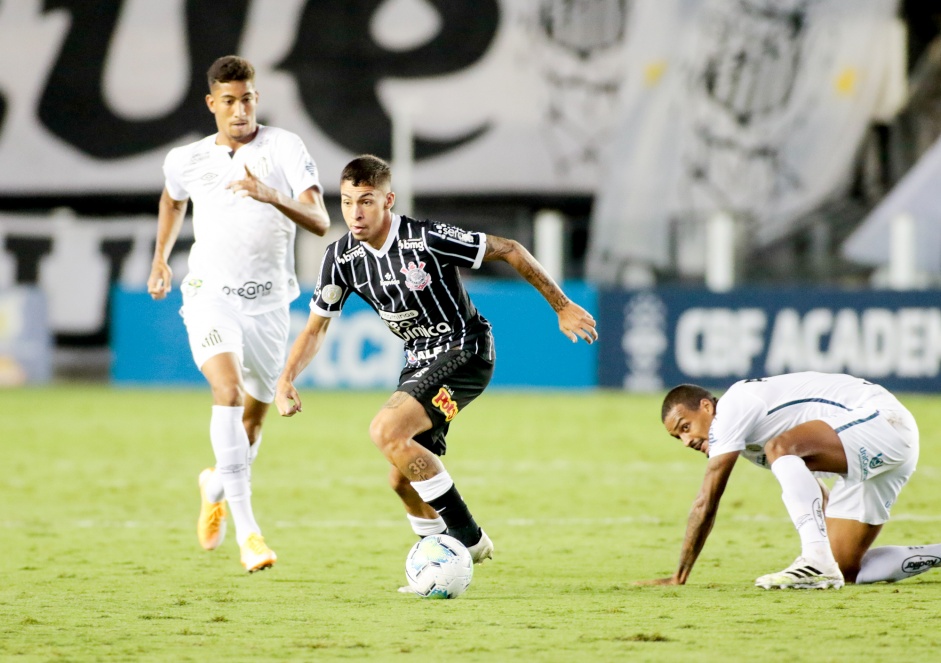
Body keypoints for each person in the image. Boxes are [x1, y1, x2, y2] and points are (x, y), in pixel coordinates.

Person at [275, 154, 597, 583]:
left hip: (465, 349)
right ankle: (435, 565)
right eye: (348, 201)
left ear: (388, 200)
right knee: (401, 480)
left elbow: (510, 249)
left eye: (366, 201)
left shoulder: (424, 238)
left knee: (385, 431)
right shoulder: (341, 257)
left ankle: (468, 539)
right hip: (419, 360)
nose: (355, 212)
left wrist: (561, 305)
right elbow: (316, 328)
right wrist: (286, 377)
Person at [147, 55, 330, 573]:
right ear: (212, 104)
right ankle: (250, 535)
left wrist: (268, 193)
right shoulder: (187, 159)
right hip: (210, 294)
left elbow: (319, 218)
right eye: (229, 100)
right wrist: (160, 256)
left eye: (248, 97)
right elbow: (172, 200)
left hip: (270, 302)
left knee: (250, 425)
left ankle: (214, 486)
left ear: (256, 98)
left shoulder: (285, 148)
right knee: (225, 392)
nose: (240, 108)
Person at [642, 371, 941, 589]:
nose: (686, 441)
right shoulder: (750, 442)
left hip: (881, 420)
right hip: (877, 451)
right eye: (677, 437)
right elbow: (815, 490)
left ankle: (813, 560)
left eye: (685, 427)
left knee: (780, 448)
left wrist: (679, 575)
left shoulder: (733, 407)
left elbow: (706, 501)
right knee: (845, 567)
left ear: (706, 407)